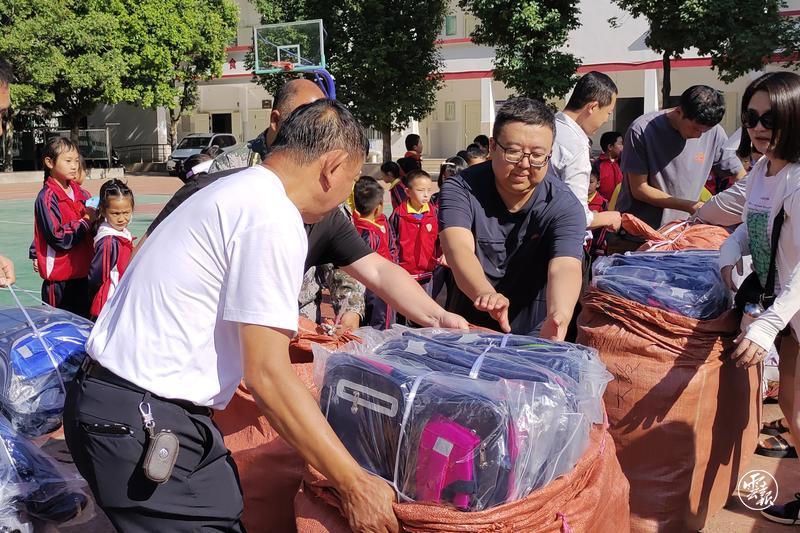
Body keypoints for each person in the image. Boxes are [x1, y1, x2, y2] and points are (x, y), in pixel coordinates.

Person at [65, 99, 467, 532]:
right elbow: (268, 374)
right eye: (351, 180)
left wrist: (437, 317)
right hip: (142, 415)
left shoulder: (237, 189)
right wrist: (353, 483)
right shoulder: (271, 216)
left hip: (130, 405)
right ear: (332, 167)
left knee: (223, 502)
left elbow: (377, 270)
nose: (347, 194)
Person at [716, 72, 800, 525]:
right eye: (751, 117)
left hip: (789, 307)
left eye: (770, 118)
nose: (758, 127)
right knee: (792, 408)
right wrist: (729, 252)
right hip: (788, 312)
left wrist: (767, 324)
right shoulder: (764, 172)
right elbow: (752, 227)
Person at [439, 98, 586, 338]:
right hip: (469, 327)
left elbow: (566, 265)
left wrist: (560, 315)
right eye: (513, 152)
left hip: (536, 332)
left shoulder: (564, 204)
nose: (524, 164)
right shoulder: (461, 188)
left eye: (537, 155)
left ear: (549, 154)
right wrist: (485, 293)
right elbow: (458, 249)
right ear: (492, 146)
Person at [616, 85, 746, 232]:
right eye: (695, 128)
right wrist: (689, 206)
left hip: (681, 231)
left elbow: (738, 173)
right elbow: (639, 188)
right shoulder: (641, 130)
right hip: (639, 231)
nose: (699, 135)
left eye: (705, 131)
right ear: (679, 112)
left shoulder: (715, 132)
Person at [547, 71, 622, 233]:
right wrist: (610, 217)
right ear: (592, 107)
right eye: (608, 113)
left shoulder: (548, 126)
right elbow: (577, 215)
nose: (606, 120)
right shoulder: (576, 145)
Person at [33, 137, 95, 318]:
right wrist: (85, 221)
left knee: (86, 326)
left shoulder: (84, 195)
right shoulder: (47, 197)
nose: (74, 166)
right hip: (60, 280)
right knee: (58, 326)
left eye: (76, 161)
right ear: (49, 162)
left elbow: (93, 227)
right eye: (68, 161)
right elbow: (58, 237)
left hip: (84, 275)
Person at [88, 180, 135, 320]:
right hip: (109, 304)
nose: (122, 218)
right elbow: (96, 277)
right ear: (103, 211)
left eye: (126, 212)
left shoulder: (121, 234)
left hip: (120, 299)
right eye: (115, 213)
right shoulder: (109, 241)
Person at [353, 176, 394, 329]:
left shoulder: (378, 222)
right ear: (379, 206)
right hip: (377, 289)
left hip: (376, 284)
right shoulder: (369, 234)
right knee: (378, 324)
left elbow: (392, 245)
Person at [389, 169, 438, 297]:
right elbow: (392, 242)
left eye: (429, 190)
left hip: (427, 270)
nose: (426, 195)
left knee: (425, 303)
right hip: (405, 271)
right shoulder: (398, 215)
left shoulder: (434, 214)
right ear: (407, 192)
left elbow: (440, 240)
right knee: (405, 303)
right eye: (420, 190)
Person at [597, 130, 623, 200]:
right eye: (620, 144)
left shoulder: (623, 162)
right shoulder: (598, 165)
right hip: (604, 204)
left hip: (621, 202)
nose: (622, 147)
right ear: (610, 147)